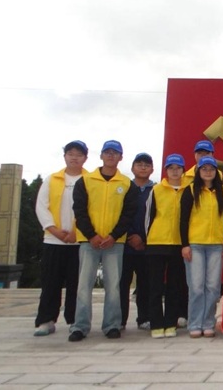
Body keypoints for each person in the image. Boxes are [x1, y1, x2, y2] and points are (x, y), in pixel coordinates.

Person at [69, 140, 140, 342]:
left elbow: (128, 215)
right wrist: (91, 235)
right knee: (84, 286)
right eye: (107, 152)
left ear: (121, 157)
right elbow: (79, 211)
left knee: (114, 286)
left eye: (114, 153)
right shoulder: (85, 181)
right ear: (101, 155)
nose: (110, 156)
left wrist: (114, 236)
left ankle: (112, 325)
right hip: (88, 242)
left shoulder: (127, 184)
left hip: (114, 243)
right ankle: (80, 326)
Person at [33, 140, 88, 337]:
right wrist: (53, 229)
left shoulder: (90, 180)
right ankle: (46, 320)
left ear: (85, 158)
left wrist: (76, 231)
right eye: (70, 153)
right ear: (65, 156)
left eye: (79, 154)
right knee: (51, 282)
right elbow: (41, 206)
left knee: (77, 284)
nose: (74, 158)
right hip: (53, 240)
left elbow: (90, 210)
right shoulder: (52, 179)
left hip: (79, 241)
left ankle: (75, 321)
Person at [180, 156, 223, 339]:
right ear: (198, 172)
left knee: (213, 287)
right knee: (196, 286)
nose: (208, 172)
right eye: (204, 169)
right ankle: (195, 323)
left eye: (211, 169)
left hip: (216, 245)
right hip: (195, 244)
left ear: (216, 172)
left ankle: (208, 323)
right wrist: (185, 245)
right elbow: (183, 219)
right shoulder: (190, 191)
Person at [145, 153, 187, 339]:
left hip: (178, 244)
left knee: (174, 286)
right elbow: (148, 217)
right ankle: (156, 323)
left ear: (183, 170)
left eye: (178, 168)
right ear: (166, 170)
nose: (174, 171)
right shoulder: (156, 190)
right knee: (155, 286)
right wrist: (148, 239)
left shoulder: (188, 190)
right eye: (171, 168)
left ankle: (170, 323)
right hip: (157, 242)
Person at [120, 152, 154, 331]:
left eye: (146, 165)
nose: (143, 168)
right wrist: (129, 236)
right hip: (124, 244)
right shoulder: (124, 187)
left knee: (145, 284)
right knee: (122, 284)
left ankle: (144, 318)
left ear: (152, 169)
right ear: (132, 168)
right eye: (139, 164)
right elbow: (118, 215)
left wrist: (143, 238)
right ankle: (120, 320)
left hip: (146, 246)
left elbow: (157, 217)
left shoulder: (156, 190)